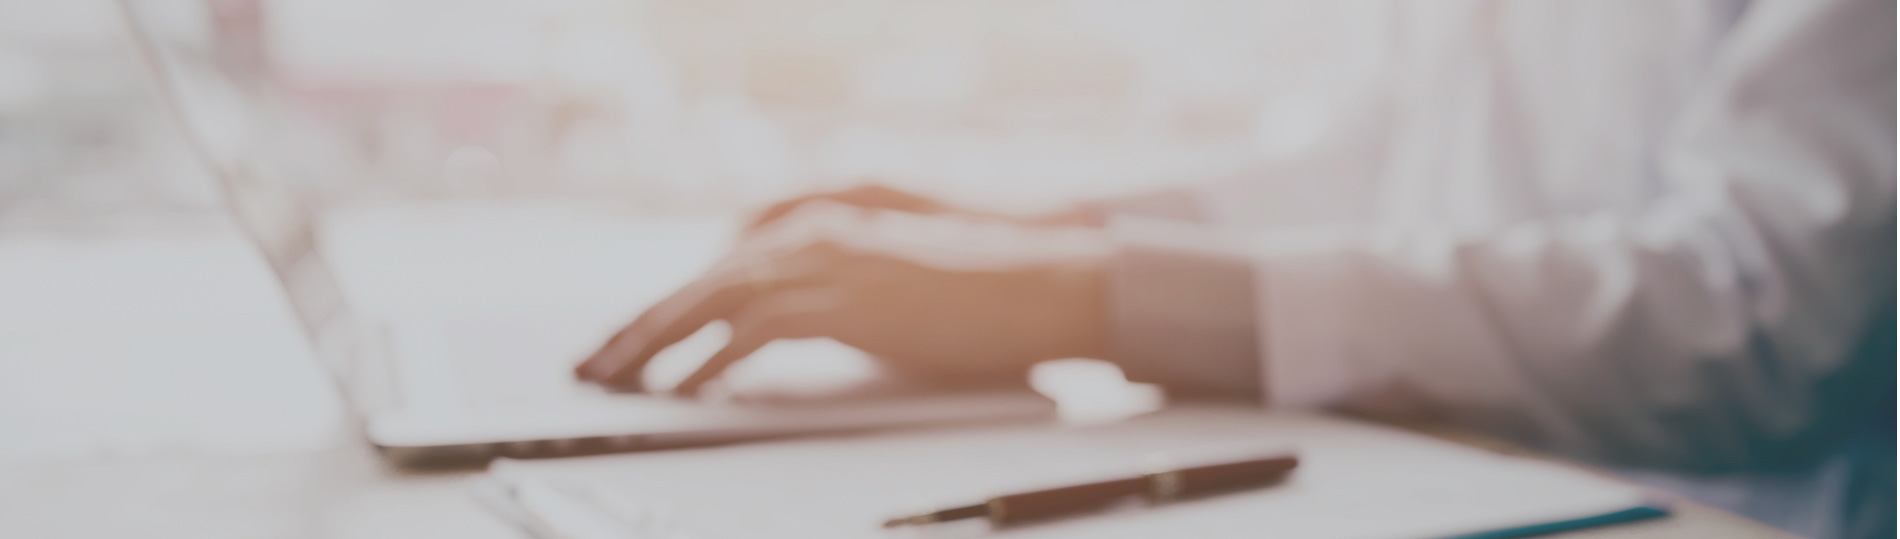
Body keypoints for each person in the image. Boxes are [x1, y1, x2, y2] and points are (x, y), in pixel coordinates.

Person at [575, 0, 1893, 537]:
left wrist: (1091, 299)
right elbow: (1368, 170)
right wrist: (1033, 235)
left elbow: (1751, 318)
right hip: (1447, 486)